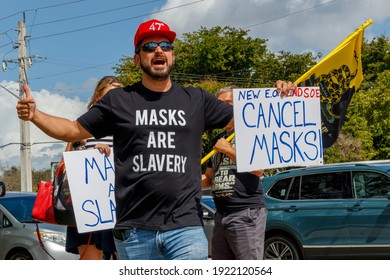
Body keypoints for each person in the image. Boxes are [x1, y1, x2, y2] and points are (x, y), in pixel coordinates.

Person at [16, 19, 296, 260]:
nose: (158, 50)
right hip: (135, 231)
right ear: (138, 59)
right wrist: (35, 114)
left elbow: (248, 118)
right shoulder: (119, 101)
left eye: (165, 45)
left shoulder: (196, 99)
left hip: (186, 228)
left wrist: (278, 96)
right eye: (149, 46)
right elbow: (73, 130)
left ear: (173, 57)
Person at [202, 86, 267, 260]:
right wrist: (182, 179)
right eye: (219, 105)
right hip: (221, 214)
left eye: (228, 104)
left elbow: (259, 168)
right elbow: (208, 179)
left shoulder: (251, 132)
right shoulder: (218, 140)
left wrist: (229, 150)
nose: (222, 109)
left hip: (245, 212)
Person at [64, 76, 123, 260]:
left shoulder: (126, 127)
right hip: (88, 210)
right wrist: (87, 153)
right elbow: (65, 166)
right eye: (111, 95)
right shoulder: (82, 127)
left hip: (118, 208)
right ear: (98, 97)